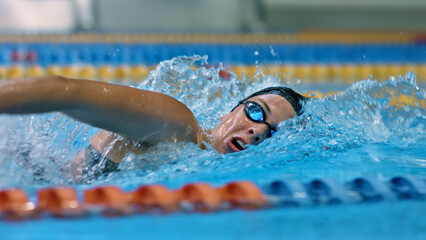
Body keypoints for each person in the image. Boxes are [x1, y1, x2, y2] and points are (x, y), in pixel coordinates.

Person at [0, 75, 307, 180]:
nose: (258, 130)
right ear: (232, 110)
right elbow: (64, 92)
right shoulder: (178, 126)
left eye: (273, 132)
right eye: (256, 112)